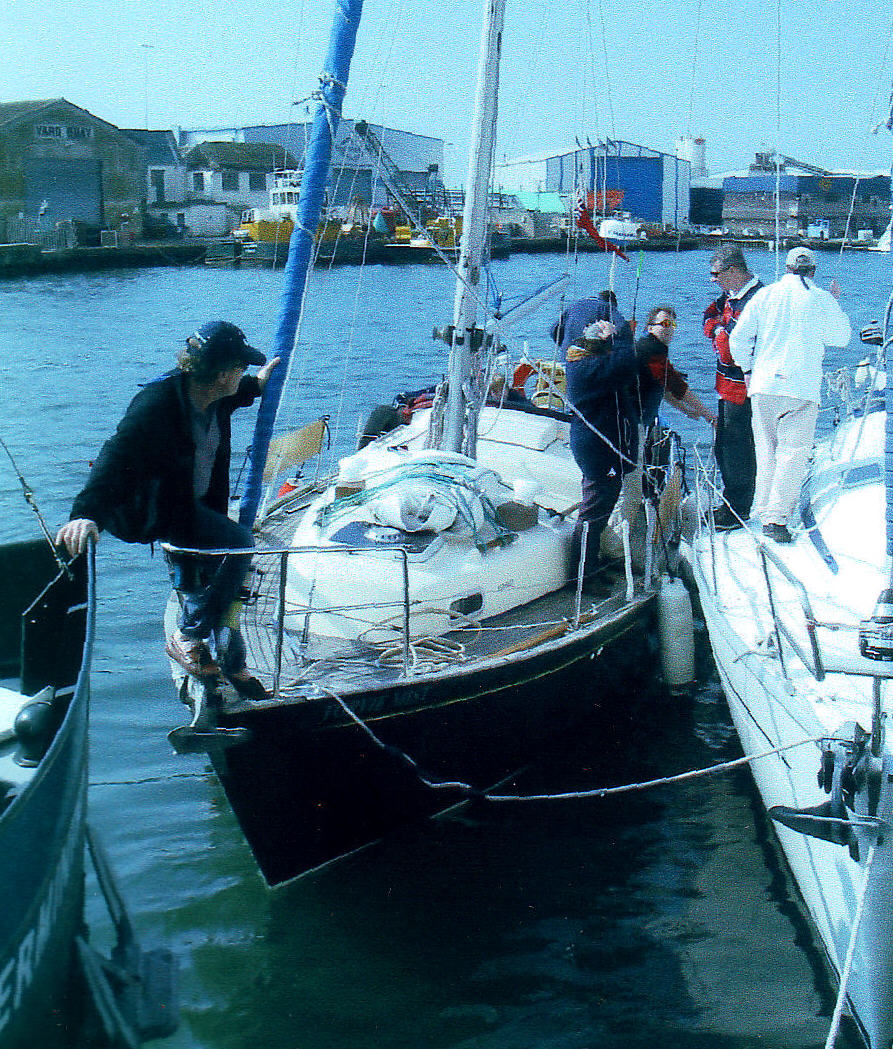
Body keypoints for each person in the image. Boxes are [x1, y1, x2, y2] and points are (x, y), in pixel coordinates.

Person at [56, 321, 281, 694]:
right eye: (241, 366)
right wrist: (86, 513)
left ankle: (231, 664)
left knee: (215, 583)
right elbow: (117, 453)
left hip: (195, 505)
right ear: (222, 372)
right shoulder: (158, 402)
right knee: (238, 546)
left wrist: (256, 385)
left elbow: (236, 393)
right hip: (162, 509)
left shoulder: (214, 392)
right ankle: (189, 638)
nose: (243, 372)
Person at [729, 247, 851, 543]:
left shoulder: (765, 295)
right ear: (813, 270)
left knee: (767, 452)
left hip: (763, 385)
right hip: (799, 388)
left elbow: (738, 338)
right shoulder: (821, 298)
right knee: (792, 454)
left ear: (785, 268)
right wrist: (834, 302)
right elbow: (842, 338)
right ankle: (776, 519)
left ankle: (762, 511)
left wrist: (747, 369)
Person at [564, 317, 638, 585]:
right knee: (593, 512)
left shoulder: (587, 364)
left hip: (599, 445)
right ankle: (581, 577)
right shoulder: (587, 368)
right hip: (597, 448)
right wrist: (621, 337)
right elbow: (625, 364)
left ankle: (590, 566)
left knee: (601, 510)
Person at [702, 247, 763, 529]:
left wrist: (721, 337)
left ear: (733, 270)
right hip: (725, 385)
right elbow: (708, 316)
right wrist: (716, 330)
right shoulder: (729, 298)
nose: (712, 279)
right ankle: (730, 502)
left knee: (737, 448)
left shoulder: (757, 299)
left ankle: (738, 509)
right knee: (724, 446)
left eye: (716, 274)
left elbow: (732, 351)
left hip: (743, 387)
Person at [551, 289, 627, 362]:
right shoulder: (607, 307)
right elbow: (623, 328)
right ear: (613, 303)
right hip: (590, 360)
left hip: (567, 356)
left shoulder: (574, 305)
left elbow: (553, 331)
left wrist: (565, 344)